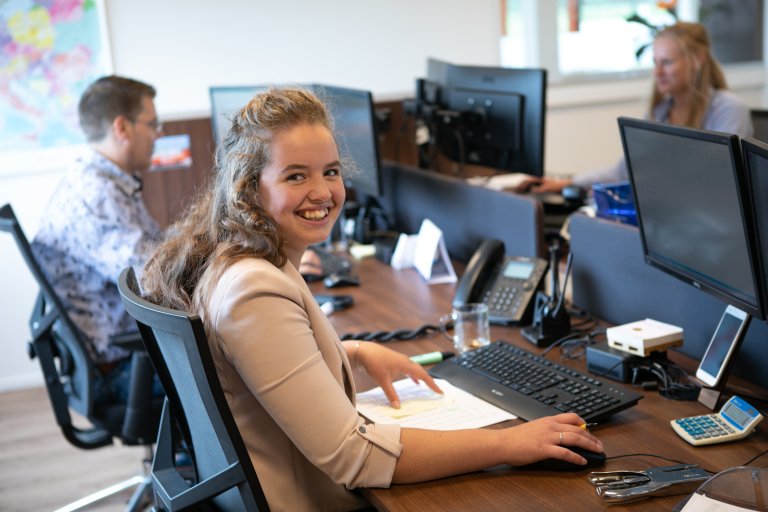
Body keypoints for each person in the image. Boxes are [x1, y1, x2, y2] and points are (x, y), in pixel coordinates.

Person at [141, 87, 603, 511]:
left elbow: (260, 368)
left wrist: (354, 352)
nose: (322, 192)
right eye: (296, 176)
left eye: (331, 171)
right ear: (249, 190)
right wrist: (510, 444)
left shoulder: (241, 259)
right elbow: (353, 457)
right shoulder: (254, 289)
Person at [31, 75, 164, 404]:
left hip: (131, 351)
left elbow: (154, 247)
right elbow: (152, 279)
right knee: (236, 369)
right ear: (122, 128)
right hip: (125, 366)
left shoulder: (109, 181)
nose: (158, 134)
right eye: (152, 124)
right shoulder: (96, 193)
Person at [519, 21, 754, 194]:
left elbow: (719, 185)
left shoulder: (728, 109)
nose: (657, 72)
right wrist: (568, 183)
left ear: (698, 59)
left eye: (667, 62)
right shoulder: (660, 112)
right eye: (655, 62)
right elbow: (626, 170)